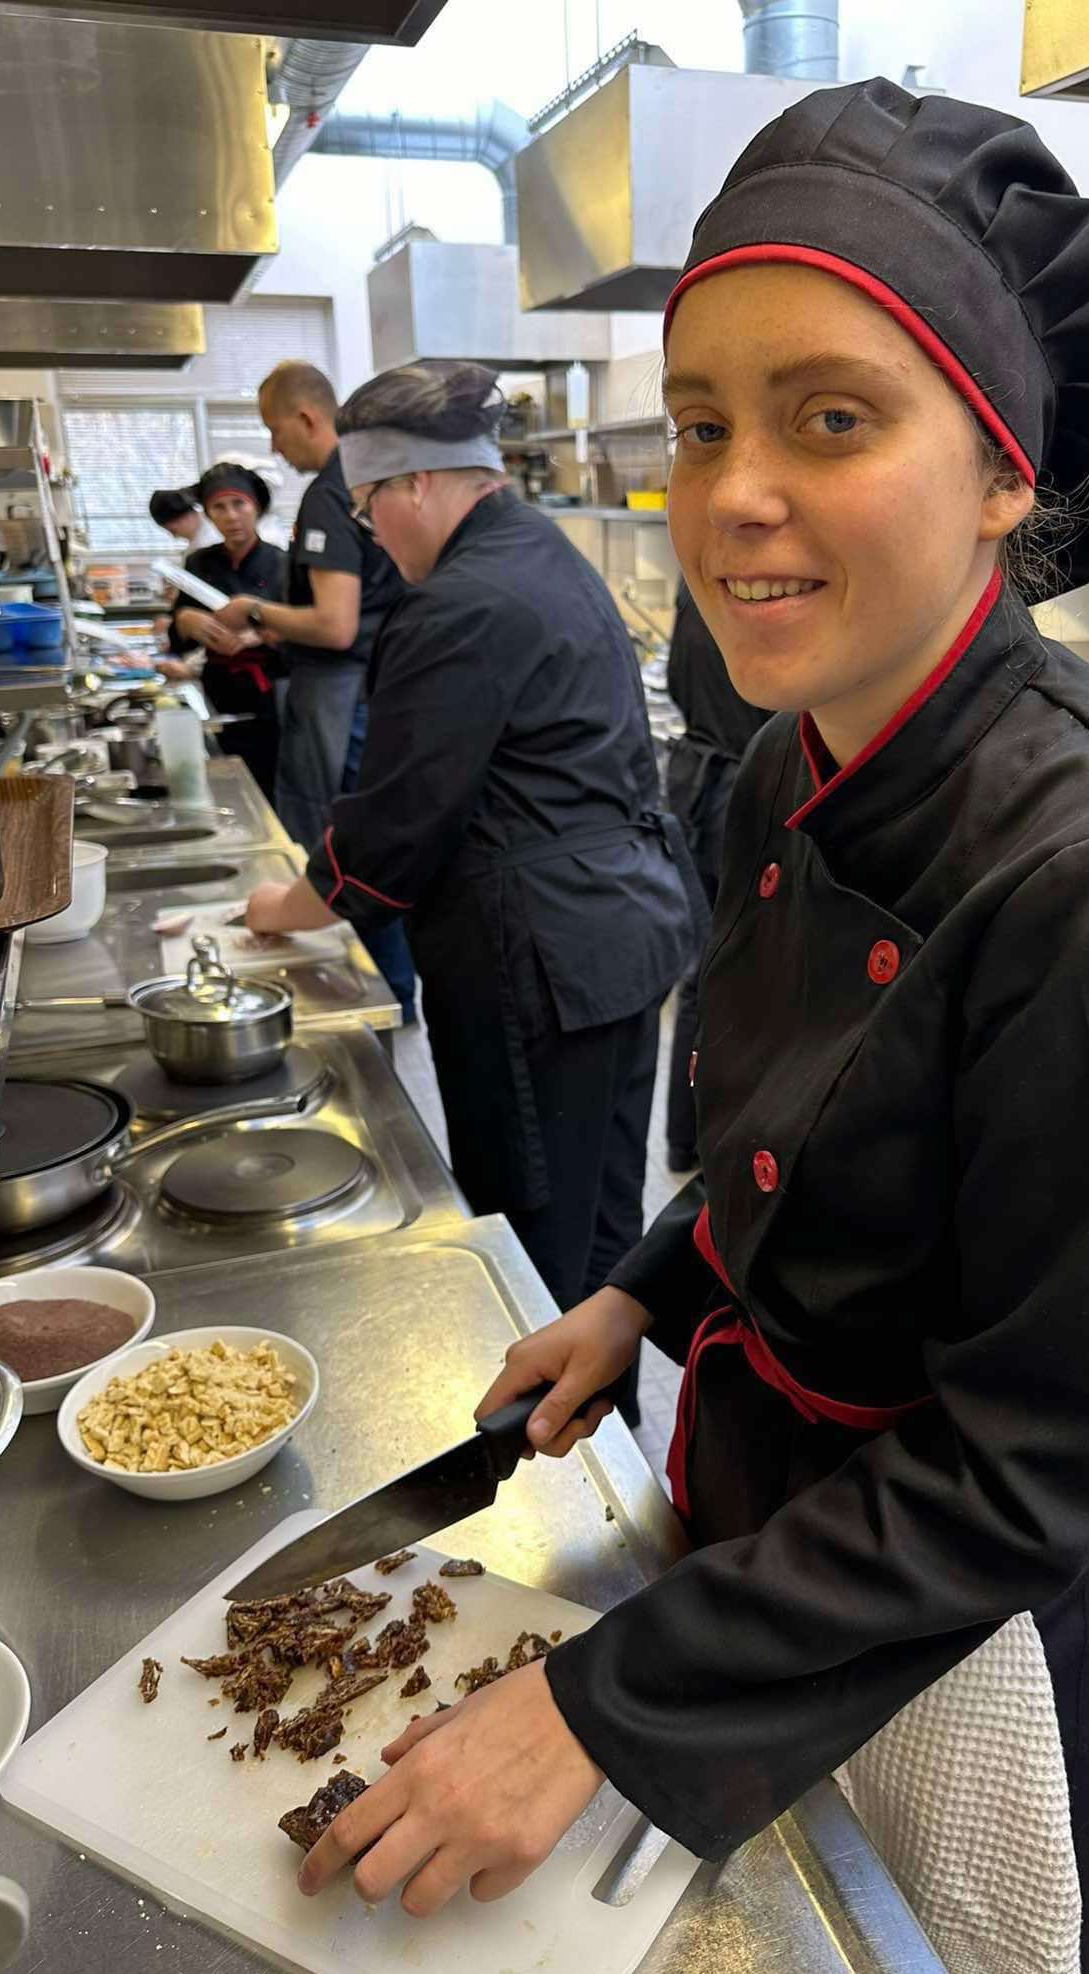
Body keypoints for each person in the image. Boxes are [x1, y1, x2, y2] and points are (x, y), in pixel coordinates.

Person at [289, 82, 1089, 1974]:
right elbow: (792, 1138)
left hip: (974, 1614)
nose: (733, 493)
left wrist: (600, 1705)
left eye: (830, 418)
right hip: (774, 1521)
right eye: (701, 426)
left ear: (1005, 472)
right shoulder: (785, 759)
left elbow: (1023, 1467)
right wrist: (642, 1291)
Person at [242, 362, 696, 1379]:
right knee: (603, 1228)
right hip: (618, 940)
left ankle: (549, 1448)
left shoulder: (459, 603)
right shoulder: (542, 550)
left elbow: (393, 826)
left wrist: (286, 905)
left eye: (367, 505)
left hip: (537, 965)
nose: (370, 533)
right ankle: (605, 1429)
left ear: (414, 484)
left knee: (531, 1233)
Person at [204, 360, 418, 1019]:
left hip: (343, 700)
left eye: (274, 429)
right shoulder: (365, 483)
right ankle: (392, 989)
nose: (273, 447)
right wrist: (274, 633)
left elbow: (335, 623)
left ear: (306, 417)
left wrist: (253, 610)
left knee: (349, 850)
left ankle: (382, 995)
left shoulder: (329, 493)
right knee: (368, 845)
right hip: (370, 689)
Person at [661, 579, 769, 1172]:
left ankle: (685, 1139)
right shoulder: (771, 603)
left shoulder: (698, 585)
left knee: (701, 973)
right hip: (737, 792)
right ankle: (715, 1145)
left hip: (693, 787)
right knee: (737, 976)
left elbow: (679, 683)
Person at [166, 464, 286, 803]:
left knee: (270, 783)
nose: (231, 516)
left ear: (256, 508)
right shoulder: (199, 564)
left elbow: (303, 629)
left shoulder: (283, 563)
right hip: (217, 690)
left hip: (270, 694)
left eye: (239, 504)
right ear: (207, 514)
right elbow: (178, 637)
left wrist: (259, 636)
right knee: (224, 781)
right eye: (219, 507)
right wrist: (184, 620)